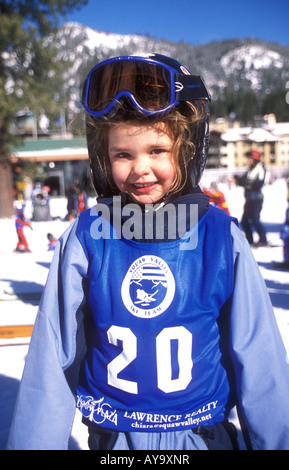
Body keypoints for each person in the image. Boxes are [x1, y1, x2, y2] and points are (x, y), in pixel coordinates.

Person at [7, 54, 289, 451]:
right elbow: (53, 356)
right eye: (123, 154)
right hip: (114, 441)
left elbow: (260, 360)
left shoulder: (220, 238)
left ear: (188, 149)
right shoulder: (88, 237)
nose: (140, 168)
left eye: (157, 150)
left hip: (202, 438)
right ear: (103, 157)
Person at [234, 150, 268, 247]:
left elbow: (257, 185)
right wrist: (237, 179)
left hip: (256, 199)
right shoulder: (250, 170)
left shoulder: (260, 169)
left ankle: (263, 241)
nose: (249, 160)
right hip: (249, 199)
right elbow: (244, 181)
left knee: (255, 220)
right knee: (244, 221)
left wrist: (245, 183)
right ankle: (250, 241)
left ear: (256, 159)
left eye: (251, 158)